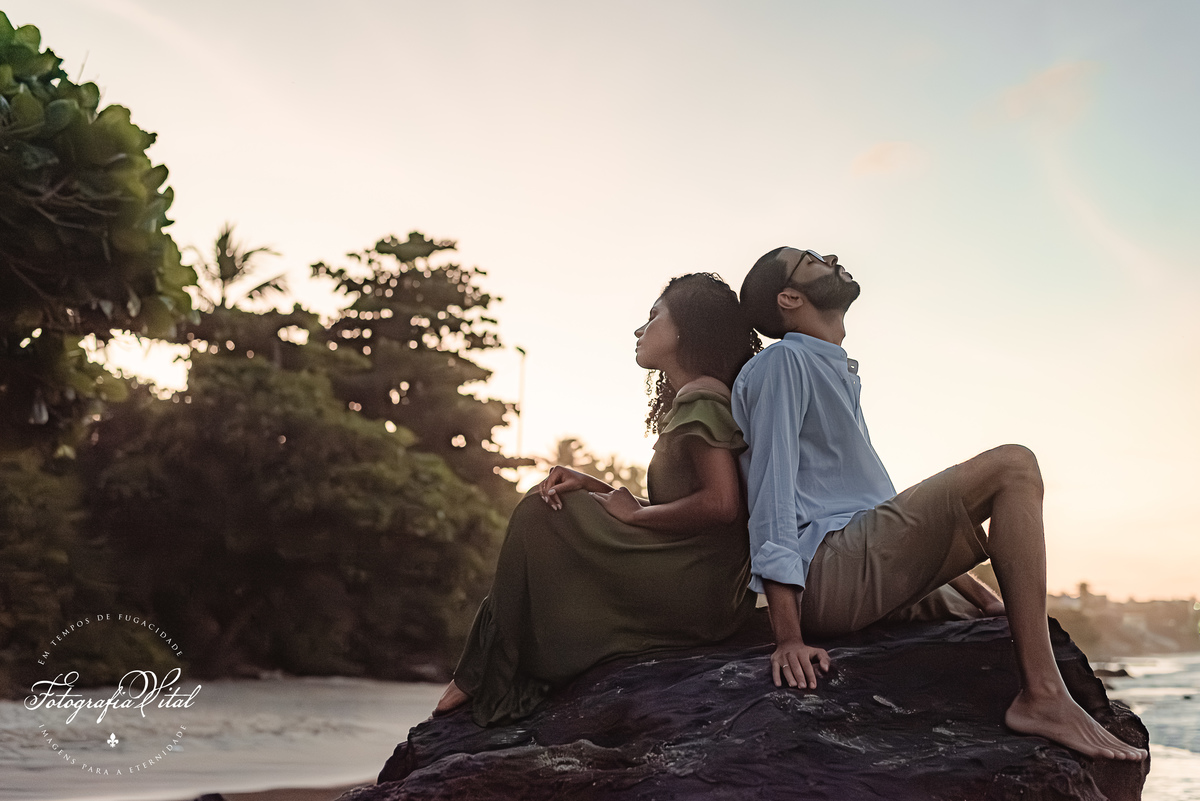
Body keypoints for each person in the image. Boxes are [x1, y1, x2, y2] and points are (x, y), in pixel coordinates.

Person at [732, 247, 1147, 761]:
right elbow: (770, 498)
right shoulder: (783, 362)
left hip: (853, 567)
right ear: (789, 297)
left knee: (999, 618)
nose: (831, 256)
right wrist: (788, 637)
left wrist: (982, 600)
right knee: (1014, 465)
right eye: (811, 259)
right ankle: (1042, 695)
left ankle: (1030, 665)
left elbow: (881, 514)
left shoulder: (833, 370)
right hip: (823, 573)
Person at [435, 272, 761, 726]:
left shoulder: (703, 397)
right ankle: (498, 666)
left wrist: (635, 516)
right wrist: (599, 488)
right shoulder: (702, 398)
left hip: (698, 584)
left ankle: (480, 673)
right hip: (703, 582)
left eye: (653, 318)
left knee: (539, 512)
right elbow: (695, 510)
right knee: (556, 501)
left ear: (687, 328)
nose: (639, 330)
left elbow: (721, 506)